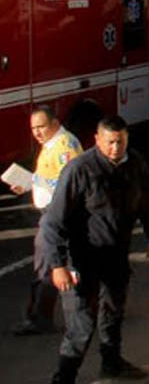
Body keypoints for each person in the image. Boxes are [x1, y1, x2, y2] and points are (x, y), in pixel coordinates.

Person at [41, 116, 149, 384]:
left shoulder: (135, 165)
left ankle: (112, 364)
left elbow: (146, 204)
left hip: (115, 256)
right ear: (97, 140)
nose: (116, 148)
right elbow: (54, 222)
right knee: (81, 325)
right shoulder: (79, 170)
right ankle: (64, 377)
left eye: (121, 142)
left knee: (113, 313)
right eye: (110, 142)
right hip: (81, 259)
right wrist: (57, 265)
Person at [8, 106, 83, 337]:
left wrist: (36, 182)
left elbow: (66, 182)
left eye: (41, 127)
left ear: (55, 123)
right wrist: (30, 183)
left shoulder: (63, 146)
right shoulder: (53, 144)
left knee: (49, 264)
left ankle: (42, 318)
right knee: (52, 264)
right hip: (53, 213)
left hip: (57, 215)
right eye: (33, 128)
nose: (37, 133)